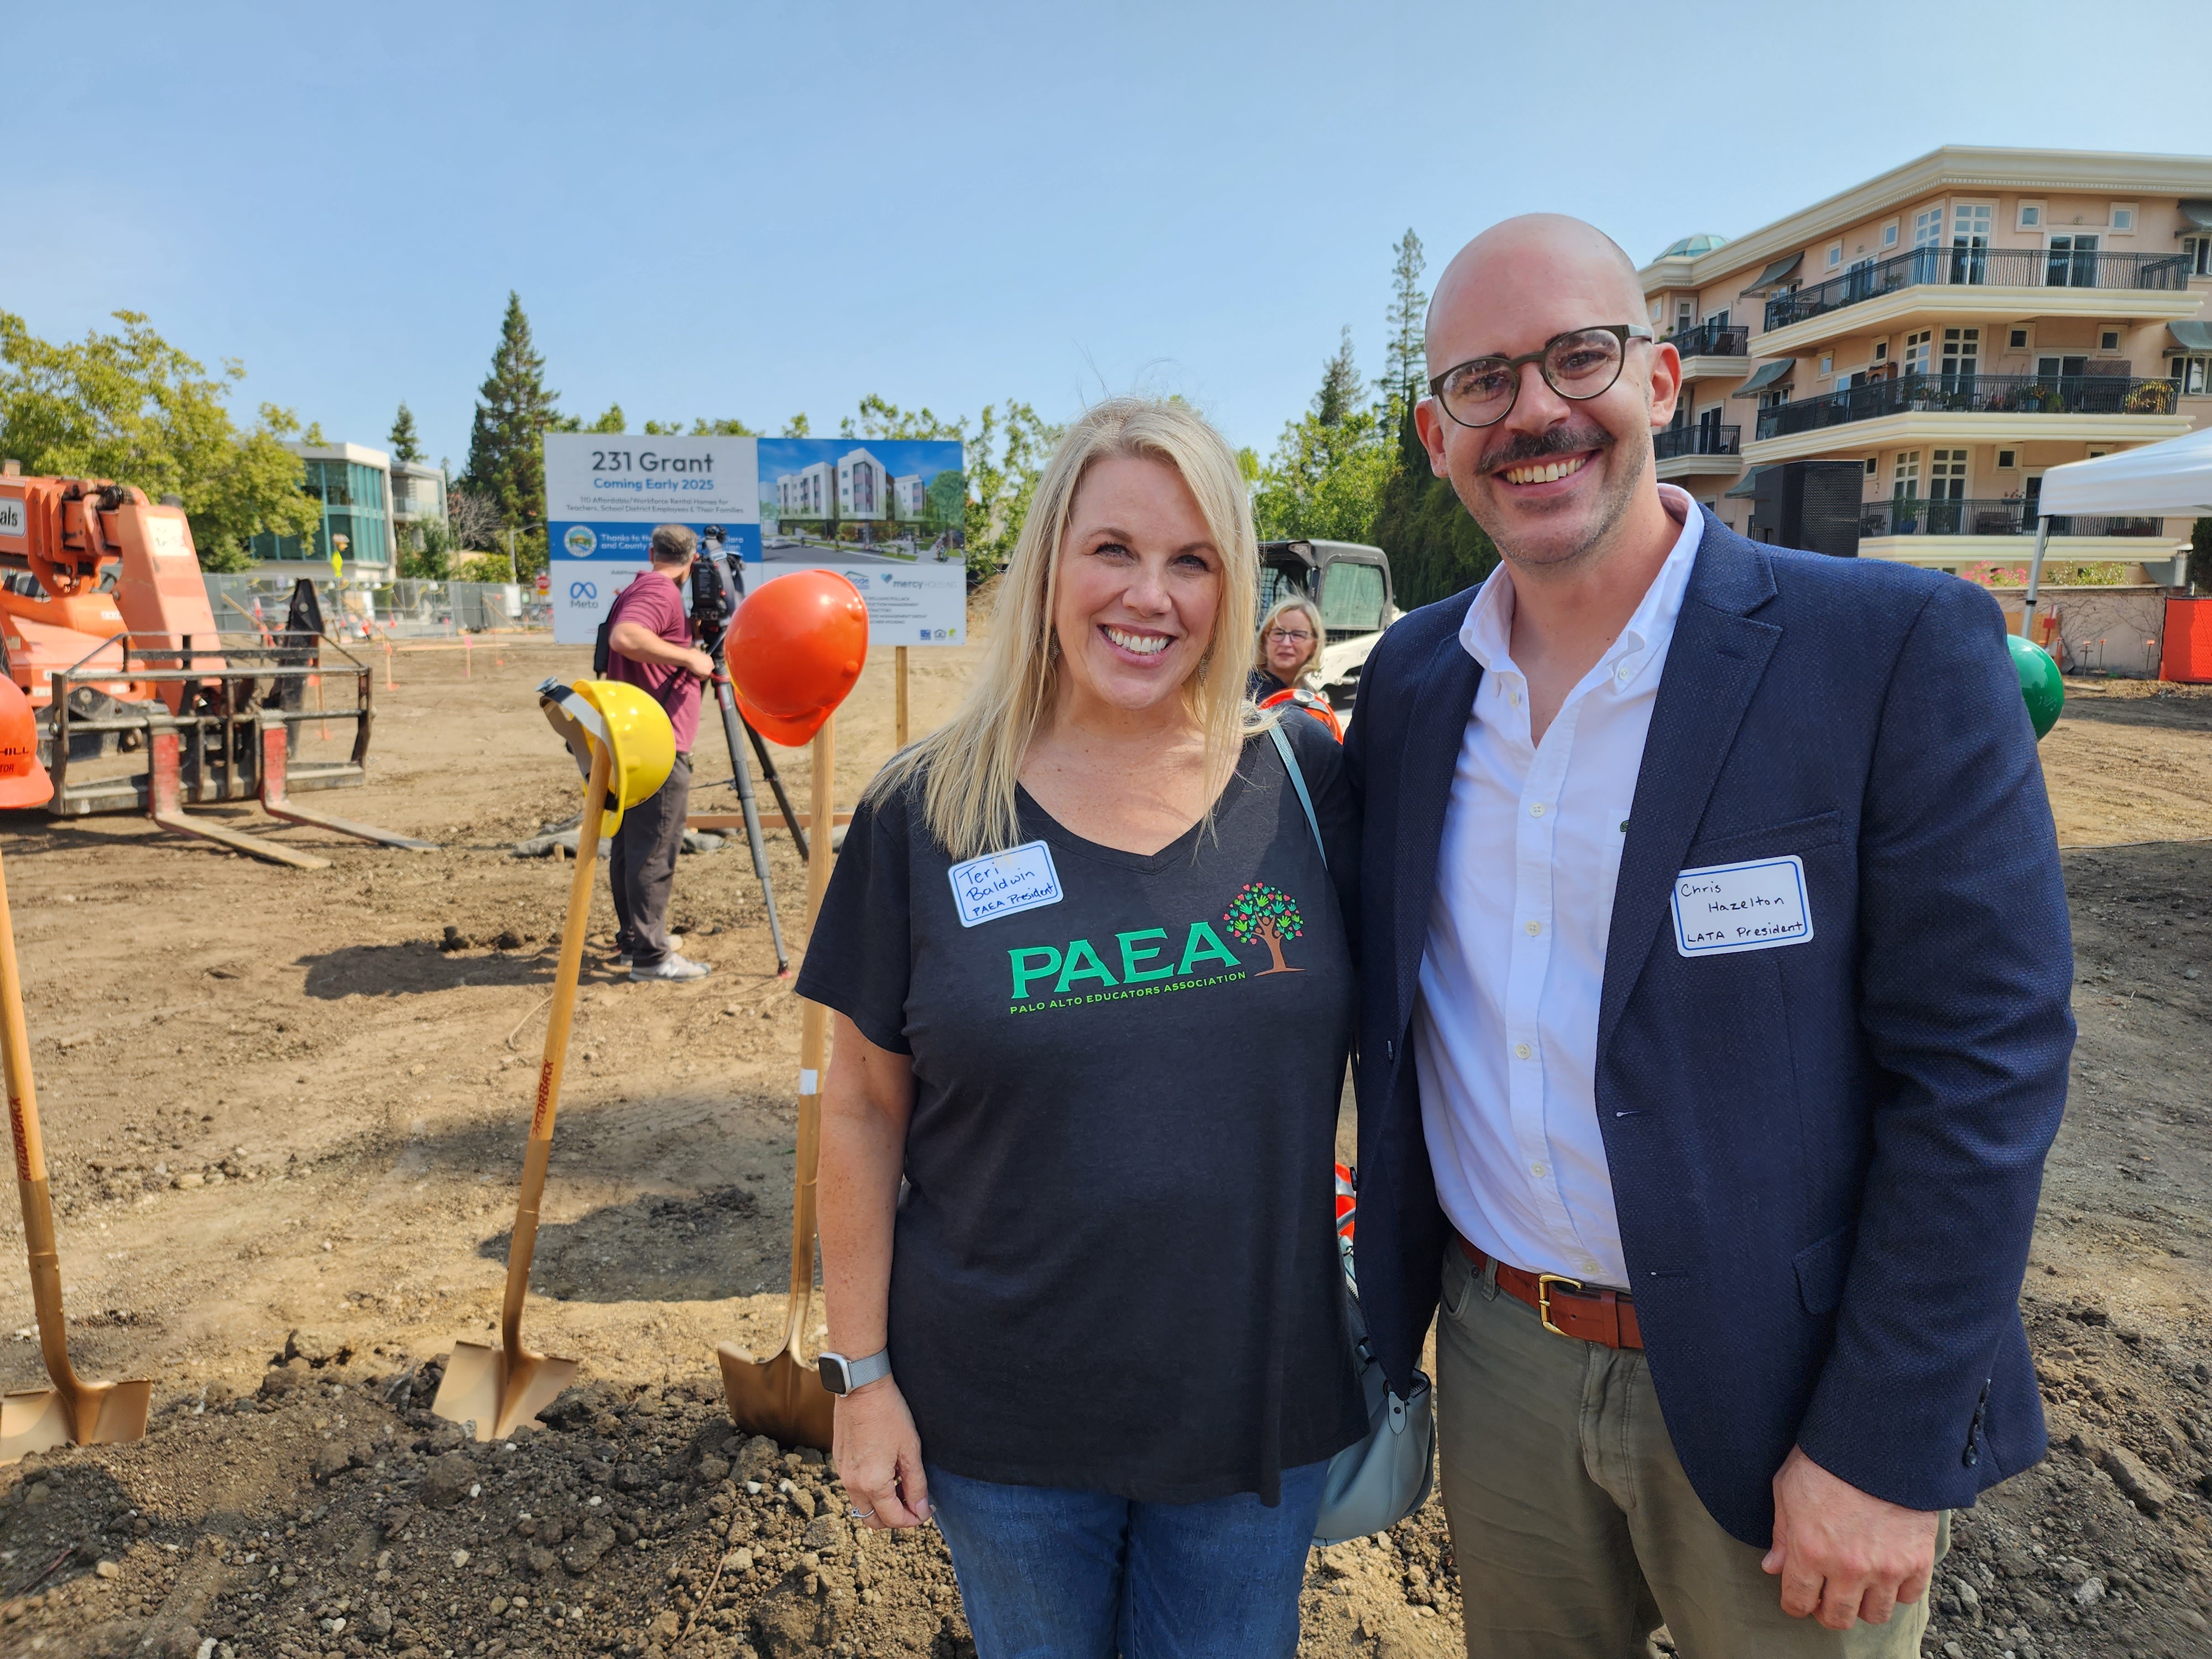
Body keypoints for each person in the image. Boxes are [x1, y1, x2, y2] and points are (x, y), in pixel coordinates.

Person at [1343, 215, 2074, 1657]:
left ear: (1663, 383)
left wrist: (1883, 1441)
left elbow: (1986, 1071)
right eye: (1485, 381)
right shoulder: (1418, 680)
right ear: (1439, 436)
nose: (1537, 412)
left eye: (1579, 356)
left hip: (1796, 1376)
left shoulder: (1893, 653)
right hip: (1503, 1358)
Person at [800, 398, 1364, 1658]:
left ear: (1231, 585)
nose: (1148, 595)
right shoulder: (925, 811)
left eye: (1190, 560)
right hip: (1004, 1423)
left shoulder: (1308, 789)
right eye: (1112, 548)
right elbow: (860, 1103)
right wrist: (860, 1375)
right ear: (1051, 561)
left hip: (1248, 1410)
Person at [603, 523, 715, 983]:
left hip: (634, 740)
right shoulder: (659, 589)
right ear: (692, 563)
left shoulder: (644, 584)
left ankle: (637, 939)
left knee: (632, 849)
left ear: (652, 552)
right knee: (652, 851)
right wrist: (689, 658)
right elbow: (626, 637)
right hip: (657, 743)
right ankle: (652, 957)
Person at [1250, 593, 1326, 700]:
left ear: (1314, 645)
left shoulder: (1311, 698)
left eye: (1298, 635)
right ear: (1265, 639)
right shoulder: (1244, 690)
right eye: (1279, 633)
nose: (1286, 643)